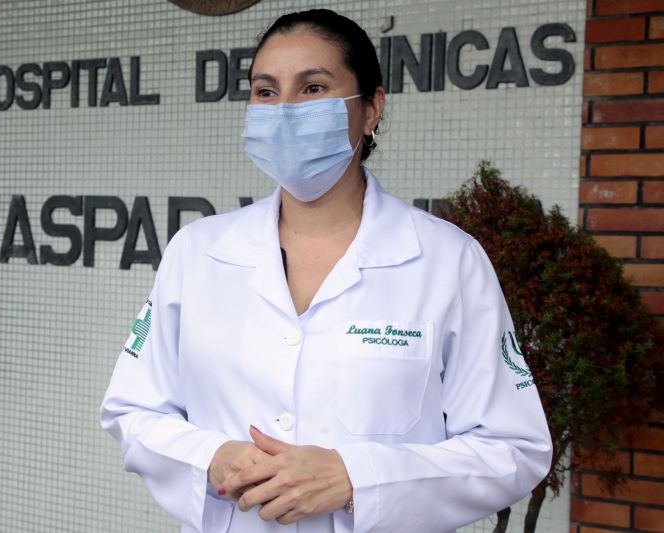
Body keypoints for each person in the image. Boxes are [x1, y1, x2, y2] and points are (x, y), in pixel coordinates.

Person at [100, 9, 552, 533]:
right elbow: (132, 411)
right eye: (267, 92)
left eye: (313, 88)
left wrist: (356, 479)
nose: (285, 109)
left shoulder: (448, 260)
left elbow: (511, 448)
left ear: (371, 109)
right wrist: (211, 457)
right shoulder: (197, 252)